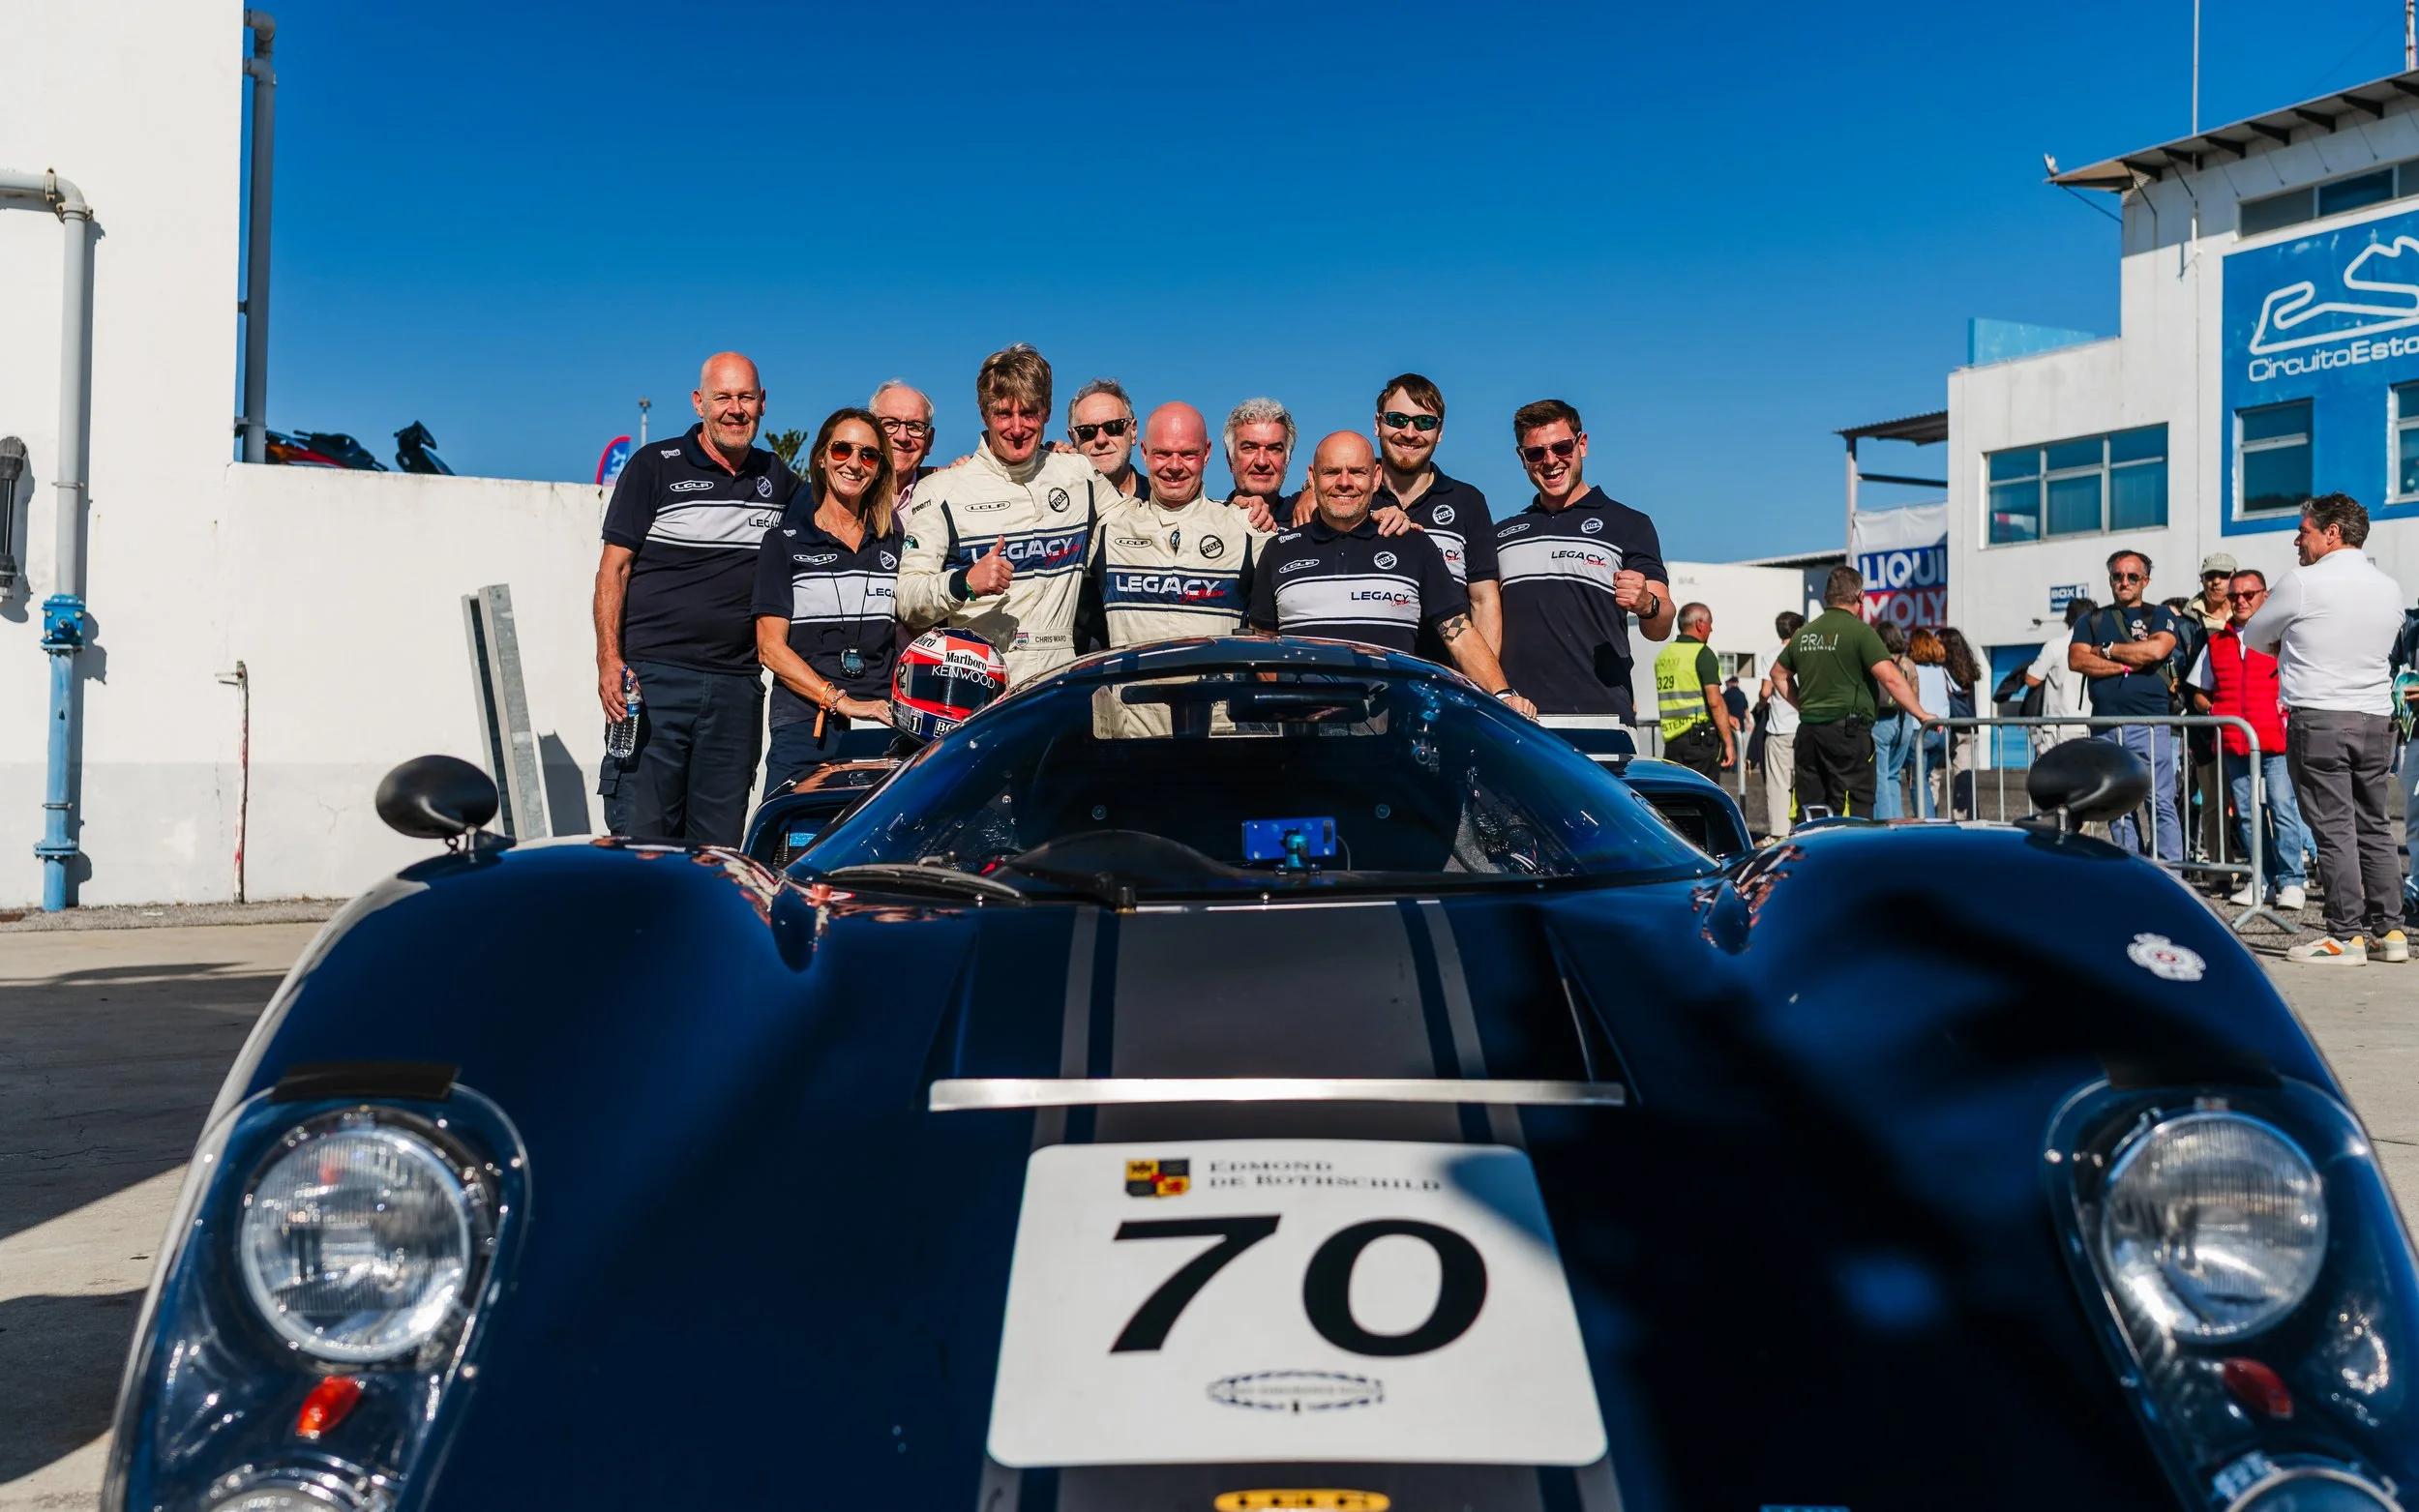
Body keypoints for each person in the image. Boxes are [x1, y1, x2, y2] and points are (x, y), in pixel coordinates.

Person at [592, 351, 796, 844]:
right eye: (722, 397)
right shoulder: (652, 466)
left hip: (736, 689)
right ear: (698, 402)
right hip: (654, 682)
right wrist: (608, 661)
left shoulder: (781, 482)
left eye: (746, 397)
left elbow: (843, 507)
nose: (735, 408)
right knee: (642, 845)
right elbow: (613, 570)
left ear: (763, 403)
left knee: (717, 853)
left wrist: (937, 475)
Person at [1248, 432, 1536, 717]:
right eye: (1332, 472)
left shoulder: (1413, 544)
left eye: (1357, 472)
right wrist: (1297, 711)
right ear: (1312, 477)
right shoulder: (1279, 551)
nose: (1344, 483)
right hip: (1304, 740)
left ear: (1375, 477)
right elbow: (1263, 647)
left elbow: (1458, 633)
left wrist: (1503, 695)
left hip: (1393, 735)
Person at [2244, 494, 2410, 964]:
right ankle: (2390, 931)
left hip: (2320, 716)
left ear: (2331, 532)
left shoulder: (2302, 581)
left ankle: (2345, 935)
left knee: (2334, 828)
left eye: (2305, 530)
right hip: (2376, 718)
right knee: (2375, 826)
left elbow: (2254, 636)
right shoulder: (2389, 587)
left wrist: (2291, 647)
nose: (2299, 539)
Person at [897, 343, 1107, 689]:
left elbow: (1138, 520)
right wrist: (962, 581)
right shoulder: (942, 489)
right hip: (978, 685)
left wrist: (1229, 507)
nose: (1017, 427)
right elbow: (908, 600)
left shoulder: (1079, 474)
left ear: (1048, 411)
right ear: (983, 414)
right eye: (1003, 414)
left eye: (1029, 413)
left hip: (1060, 684)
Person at [1494, 400, 1675, 719]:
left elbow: (1660, 626)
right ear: (1522, 458)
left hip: (1600, 719)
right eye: (1536, 453)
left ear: (1582, 444)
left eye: (1561, 447)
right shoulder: (1501, 535)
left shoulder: (1629, 524)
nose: (1550, 461)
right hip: (1515, 720)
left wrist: (1648, 604)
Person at [753, 408, 902, 792]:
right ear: (820, 457)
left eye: (868, 455)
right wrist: (838, 700)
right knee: (793, 847)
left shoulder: (894, 541)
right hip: (806, 726)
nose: (854, 463)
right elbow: (770, 649)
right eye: (842, 450)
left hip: (881, 726)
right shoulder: (784, 542)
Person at [1087, 401, 1263, 647]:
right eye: (1163, 453)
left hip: (1212, 685)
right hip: (1131, 686)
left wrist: (1309, 497)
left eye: (1188, 454)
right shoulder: (1109, 526)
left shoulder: (1247, 526)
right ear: (1145, 453)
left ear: (1207, 453)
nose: (1175, 466)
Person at [2187, 568, 2311, 911]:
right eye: (2234, 596)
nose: (2240, 601)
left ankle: (2292, 881)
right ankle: (2263, 879)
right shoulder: (2216, 642)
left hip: (2274, 740)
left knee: (2282, 809)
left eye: (2248, 594)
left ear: (2265, 596)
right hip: (2234, 742)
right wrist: (2215, 711)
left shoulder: (2283, 637)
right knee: (2246, 814)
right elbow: (2200, 691)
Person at [1770, 566, 1932, 817]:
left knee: (1811, 807)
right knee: (1850, 809)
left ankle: (1814, 852)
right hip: (1847, 735)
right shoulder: (1861, 633)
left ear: (1826, 597)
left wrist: (1804, 705)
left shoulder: (1804, 635)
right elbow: (1891, 678)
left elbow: (1778, 675)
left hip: (1809, 733)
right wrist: (1922, 714)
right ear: (1860, 597)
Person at [1367, 374, 1503, 656]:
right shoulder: (1352, 494)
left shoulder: (1468, 501)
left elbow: (1483, 601)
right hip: (1371, 679)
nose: (1409, 432)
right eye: (1397, 419)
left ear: (1439, 432)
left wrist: (1482, 687)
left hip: (1444, 684)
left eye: (1425, 422)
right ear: (1377, 424)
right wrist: (1310, 492)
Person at [2070, 549, 2184, 864]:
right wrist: (2123, 666)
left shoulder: (2160, 614)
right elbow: (2077, 659)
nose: (2124, 581)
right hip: (2105, 727)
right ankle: (2132, 868)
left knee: (2159, 802)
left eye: (2132, 576)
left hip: (2150, 725)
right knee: (2116, 804)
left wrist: (2105, 650)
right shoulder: (2091, 619)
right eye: (2118, 576)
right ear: (2110, 580)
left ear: (2145, 581)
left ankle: (2170, 872)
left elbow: (2157, 649)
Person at [2185, 554, 2236, 861]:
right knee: (2214, 800)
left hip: (2249, 721)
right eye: (2208, 575)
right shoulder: (2187, 620)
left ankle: (2267, 872)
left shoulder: (2250, 613)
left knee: (2256, 800)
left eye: (2221, 575)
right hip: (2205, 722)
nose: (2215, 581)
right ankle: (2220, 868)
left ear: (2233, 576)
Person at [1653, 603, 1734, 780]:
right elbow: (1714, 702)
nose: (1711, 630)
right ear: (1700, 624)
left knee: (1678, 797)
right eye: (1710, 624)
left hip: (1672, 741)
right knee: (1704, 798)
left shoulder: (1664, 656)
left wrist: (1727, 719)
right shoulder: (1703, 654)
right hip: (1700, 743)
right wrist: (1729, 742)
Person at [2025, 598, 2097, 756]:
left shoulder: (2055, 646)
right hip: (2088, 727)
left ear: (2068, 618)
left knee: (2051, 778)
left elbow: (2031, 680)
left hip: (2057, 729)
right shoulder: (2097, 649)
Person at [1757, 610, 1805, 837]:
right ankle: (1804, 827)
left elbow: (1766, 690)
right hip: (1803, 726)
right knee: (1803, 783)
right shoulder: (1804, 652)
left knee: (1779, 785)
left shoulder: (1771, 655)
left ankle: (1779, 833)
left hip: (1779, 729)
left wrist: (1761, 703)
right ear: (1797, 630)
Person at [1225, 398, 1301, 531]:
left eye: (1274, 449)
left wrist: (1313, 492)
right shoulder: (1208, 521)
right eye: (1249, 448)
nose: (1262, 462)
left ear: (1287, 460)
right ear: (1230, 459)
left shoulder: (1309, 517)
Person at [871, 380, 938, 527]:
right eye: (890, 424)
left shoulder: (946, 497)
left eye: (915, 426)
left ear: (930, 440)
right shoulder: (841, 497)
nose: (902, 437)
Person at [1068, 377, 1146, 501]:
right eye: (1087, 431)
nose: (1101, 440)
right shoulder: (1060, 508)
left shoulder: (1164, 503)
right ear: (1073, 439)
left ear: (1133, 431)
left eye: (1114, 427)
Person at [1868, 624, 1916, 819]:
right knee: (1894, 774)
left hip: (1883, 720)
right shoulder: (1908, 664)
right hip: (1906, 721)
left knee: (1879, 776)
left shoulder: (1880, 663)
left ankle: (1884, 824)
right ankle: (1898, 821)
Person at [1937, 626, 1984, 818]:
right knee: (1965, 779)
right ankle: (1967, 822)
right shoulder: (1968, 668)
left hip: (1947, 727)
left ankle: (1928, 820)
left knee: (1932, 775)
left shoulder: (1939, 668)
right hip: (1969, 726)